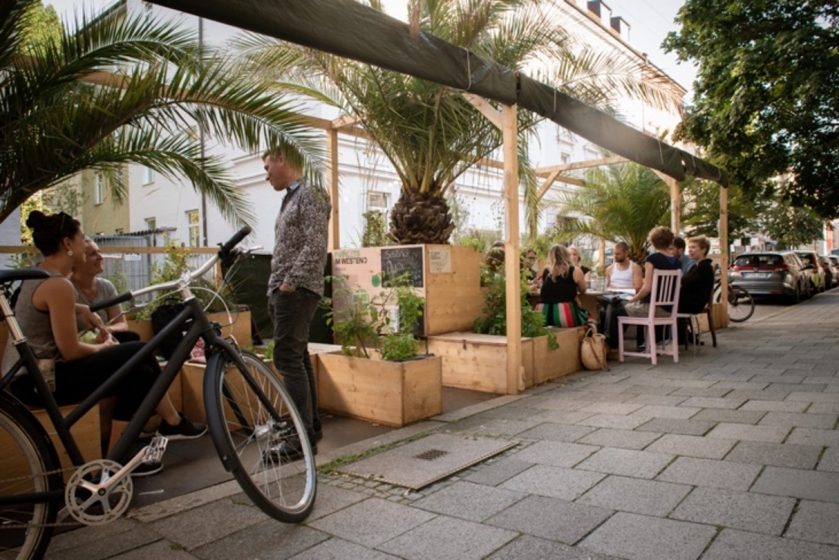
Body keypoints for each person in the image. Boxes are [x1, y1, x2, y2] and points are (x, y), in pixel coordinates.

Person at [3, 211, 205, 476]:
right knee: (137, 351)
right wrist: (105, 348)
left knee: (140, 372)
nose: (84, 245)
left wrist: (79, 309)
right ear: (67, 244)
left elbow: (45, 309)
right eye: (81, 239)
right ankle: (169, 423)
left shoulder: (40, 277)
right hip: (37, 383)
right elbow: (71, 350)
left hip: (34, 378)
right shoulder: (58, 284)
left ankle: (113, 462)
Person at [264, 147, 330, 460]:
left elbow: (315, 244)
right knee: (298, 357)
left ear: (282, 159)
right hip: (289, 288)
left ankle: (298, 438)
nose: (266, 175)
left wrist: (290, 283)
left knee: (287, 358)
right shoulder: (291, 196)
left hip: (298, 290)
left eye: (267, 167)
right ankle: (310, 428)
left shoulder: (310, 192)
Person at [625, 226, 681, 350]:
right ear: (670, 242)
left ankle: (613, 347)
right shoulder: (677, 262)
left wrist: (633, 299)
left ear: (653, 242)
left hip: (653, 309)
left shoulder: (652, 259)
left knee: (621, 309)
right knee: (634, 306)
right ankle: (647, 344)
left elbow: (647, 288)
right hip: (669, 310)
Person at [72, 238, 139, 343]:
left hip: (105, 340)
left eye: (99, 252)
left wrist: (107, 330)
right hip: (84, 346)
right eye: (93, 254)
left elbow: (121, 323)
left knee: (132, 337)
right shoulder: (67, 288)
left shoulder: (106, 286)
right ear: (78, 260)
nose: (100, 257)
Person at [536, 244, 589, 327]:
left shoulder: (545, 270)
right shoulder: (575, 270)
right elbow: (583, 289)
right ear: (566, 255)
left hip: (542, 314)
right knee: (590, 319)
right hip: (564, 314)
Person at [679, 236, 715, 314]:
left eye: (693, 247)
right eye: (689, 248)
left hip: (693, 304)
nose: (690, 250)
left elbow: (685, 281)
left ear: (703, 250)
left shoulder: (704, 267)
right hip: (690, 301)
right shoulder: (697, 266)